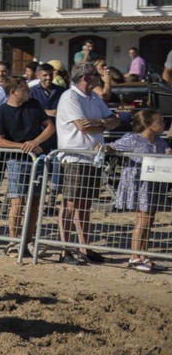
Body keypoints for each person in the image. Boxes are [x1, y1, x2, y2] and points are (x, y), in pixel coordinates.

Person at [54, 64, 120, 264]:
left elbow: (115, 121)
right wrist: (102, 123)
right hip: (75, 157)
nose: (99, 78)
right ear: (84, 77)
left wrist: (98, 122)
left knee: (85, 205)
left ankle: (84, 247)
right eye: (95, 75)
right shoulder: (70, 96)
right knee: (70, 203)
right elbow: (82, 126)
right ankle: (65, 249)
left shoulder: (94, 97)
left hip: (93, 157)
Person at [0, 77, 54, 257]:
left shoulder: (33, 105)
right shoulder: (0, 112)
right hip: (16, 161)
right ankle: (14, 241)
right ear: (13, 92)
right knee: (17, 201)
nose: (29, 92)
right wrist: (23, 146)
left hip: (37, 159)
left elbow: (49, 127)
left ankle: (29, 240)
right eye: (25, 89)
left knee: (35, 201)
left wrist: (36, 141)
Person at [108, 109, 168, 271]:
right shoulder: (133, 139)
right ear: (148, 125)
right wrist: (104, 147)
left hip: (154, 185)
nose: (163, 124)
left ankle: (143, 255)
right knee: (143, 220)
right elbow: (112, 147)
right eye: (160, 122)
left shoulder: (160, 142)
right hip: (138, 185)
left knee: (149, 221)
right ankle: (134, 257)